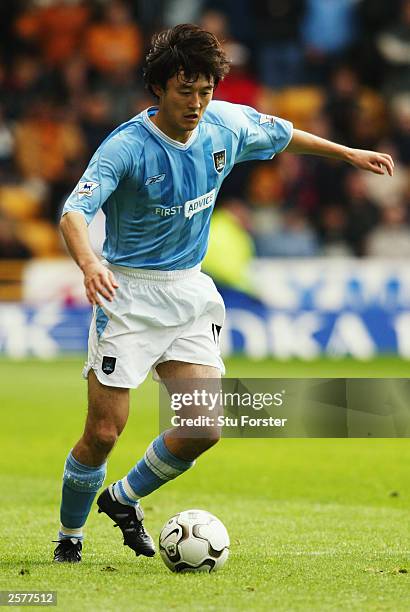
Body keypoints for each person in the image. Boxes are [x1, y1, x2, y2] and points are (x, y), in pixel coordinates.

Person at [54, 23, 394, 563]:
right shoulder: (126, 146)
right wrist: (91, 262)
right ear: (159, 89)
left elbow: (285, 133)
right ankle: (68, 539)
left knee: (202, 427)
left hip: (189, 291)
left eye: (205, 90)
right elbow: (75, 210)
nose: (196, 102)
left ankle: (123, 499)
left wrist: (349, 153)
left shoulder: (226, 124)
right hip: (129, 295)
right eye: (185, 90)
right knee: (103, 432)